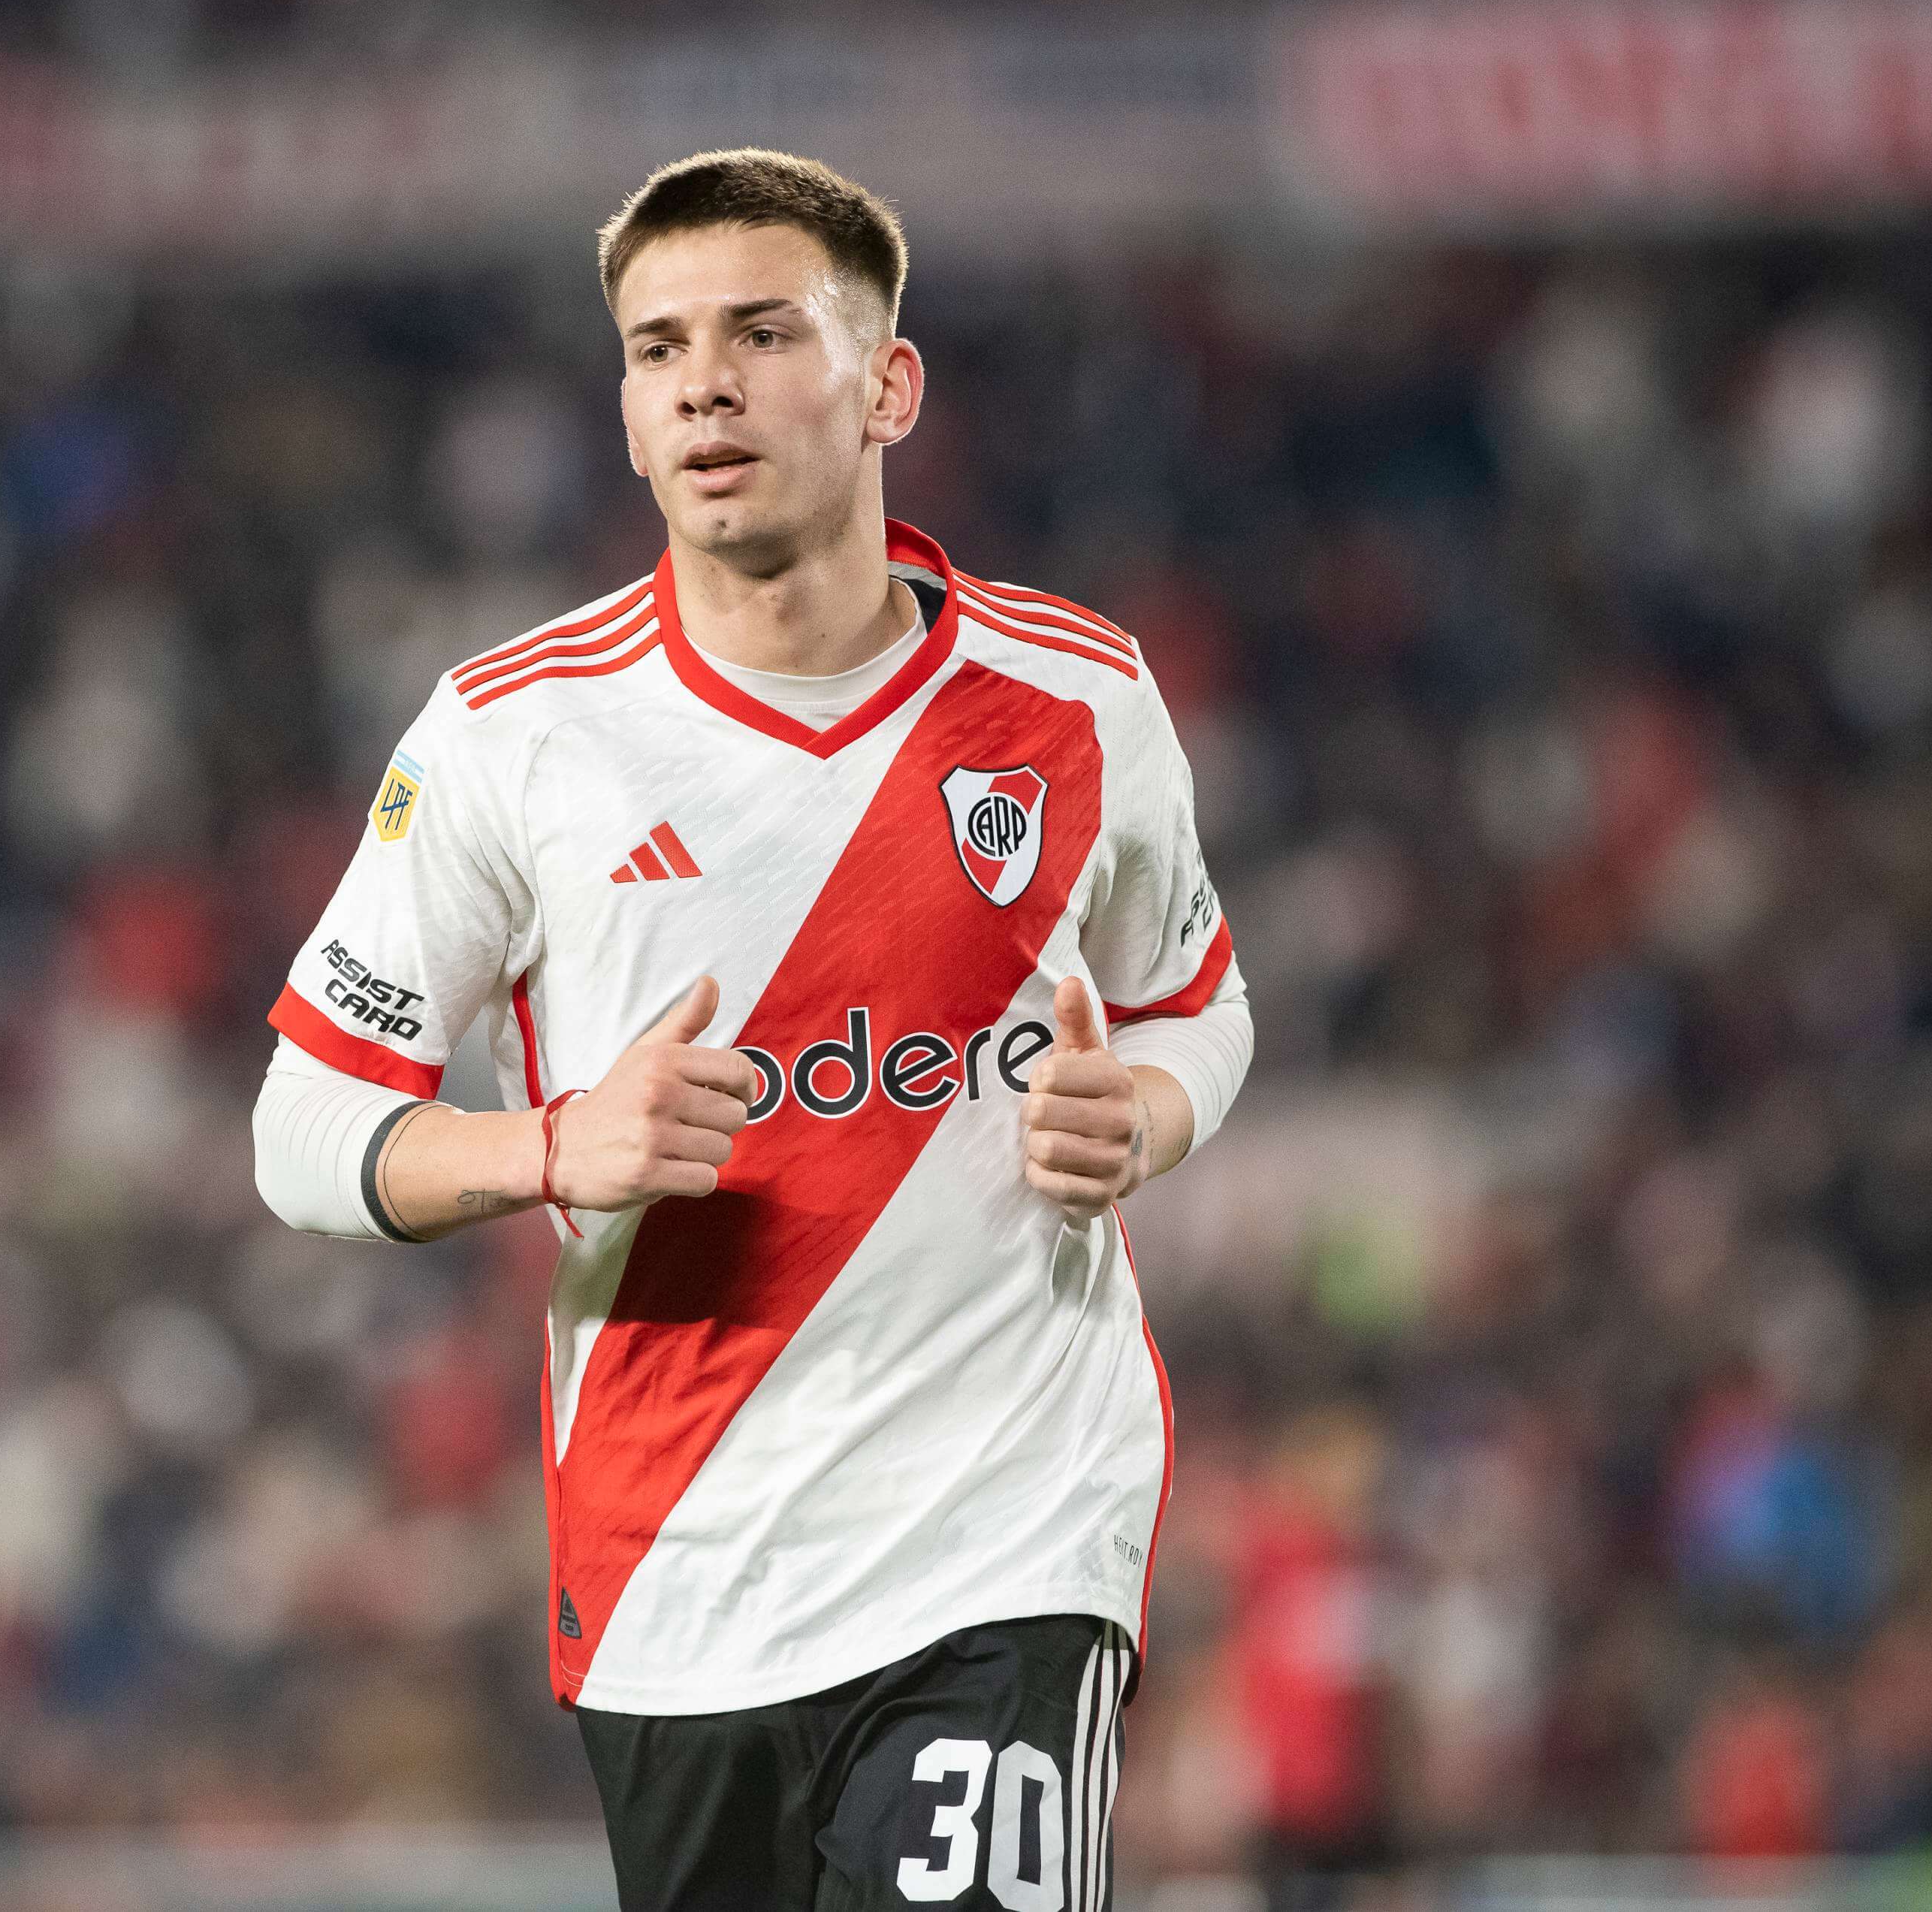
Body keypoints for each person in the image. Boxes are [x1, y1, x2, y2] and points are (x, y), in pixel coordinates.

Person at [252, 149, 1251, 1910]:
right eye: (654, 349)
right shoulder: (510, 736)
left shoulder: (1073, 697)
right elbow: (305, 1128)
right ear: (627, 420)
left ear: (887, 385)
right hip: (673, 1576)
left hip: (1005, 1533)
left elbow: (1195, 1005)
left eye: (759, 332)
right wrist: (551, 1149)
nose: (699, 380)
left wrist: (1145, 1120)